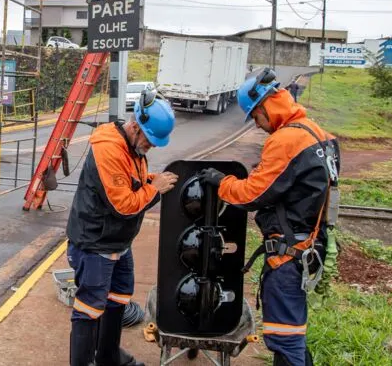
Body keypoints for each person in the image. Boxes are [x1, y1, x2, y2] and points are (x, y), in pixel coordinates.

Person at [198, 68, 340, 366]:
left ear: (266, 106)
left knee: (284, 340)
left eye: (255, 117)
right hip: (309, 247)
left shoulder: (286, 140)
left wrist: (220, 182)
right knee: (293, 332)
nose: (258, 126)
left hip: (289, 256)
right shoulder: (319, 134)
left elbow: (251, 194)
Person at [67, 89, 179, 366]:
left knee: (118, 298)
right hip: (96, 242)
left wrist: (152, 179)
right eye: (150, 140)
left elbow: (132, 179)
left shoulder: (131, 146)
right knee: (89, 308)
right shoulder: (109, 148)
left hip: (117, 241)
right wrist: (155, 190)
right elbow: (124, 205)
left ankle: (107, 356)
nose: (150, 147)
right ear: (135, 126)